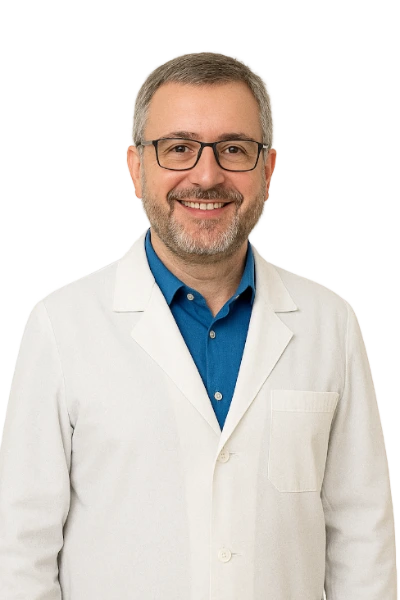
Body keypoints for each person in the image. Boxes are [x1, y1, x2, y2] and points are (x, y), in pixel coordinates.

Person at [0, 50, 397, 599]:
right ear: (135, 167)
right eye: (178, 148)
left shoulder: (328, 323)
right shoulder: (62, 327)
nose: (206, 176)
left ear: (269, 169)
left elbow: (363, 539)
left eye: (234, 149)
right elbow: (20, 550)